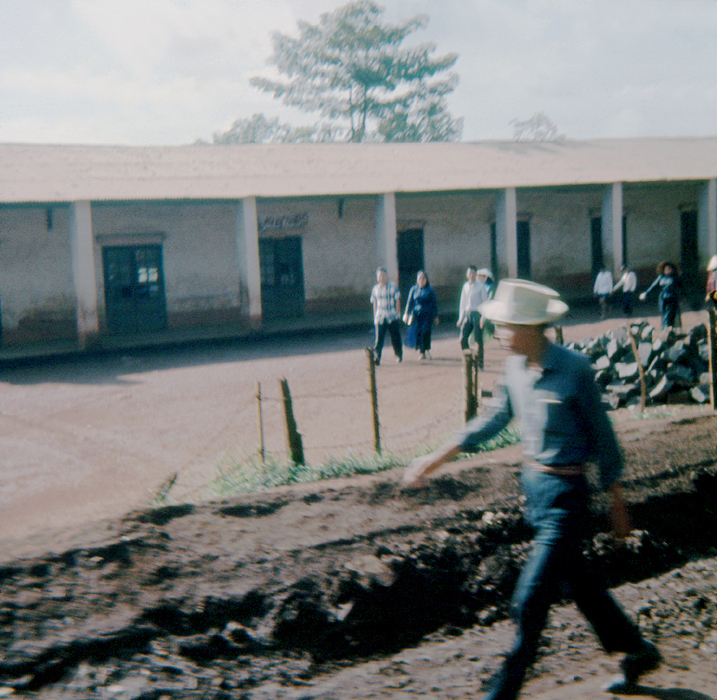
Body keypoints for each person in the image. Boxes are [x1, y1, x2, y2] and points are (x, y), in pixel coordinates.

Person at [403, 278, 661, 699]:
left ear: (530, 327)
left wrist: (617, 502)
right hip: (535, 495)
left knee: (530, 599)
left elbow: (604, 439)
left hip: (567, 498)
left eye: (505, 326)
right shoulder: (514, 369)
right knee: (582, 585)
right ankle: (637, 650)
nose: (499, 334)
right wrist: (435, 458)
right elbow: (490, 421)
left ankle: (503, 692)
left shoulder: (575, 370)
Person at [458, 266, 492, 368]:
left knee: (478, 340)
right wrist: (461, 318)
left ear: (476, 274)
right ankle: (468, 360)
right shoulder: (465, 286)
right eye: (469, 273)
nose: (471, 275)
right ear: (467, 274)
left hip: (477, 314)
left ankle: (480, 363)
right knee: (463, 338)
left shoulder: (481, 286)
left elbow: (485, 303)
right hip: (468, 314)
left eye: (473, 273)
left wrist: (483, 318)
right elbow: (462, 303)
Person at [370, 267, 403, 365]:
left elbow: (397, 300)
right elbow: (374, 303)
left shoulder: (393, 286)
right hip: (380, 316)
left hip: (392, 315)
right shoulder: (375, 289)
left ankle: (398, 355)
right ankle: (377, 358)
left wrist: (397, 313)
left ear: (387, 276)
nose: (382, 277)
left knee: (395, 337)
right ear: (377, 277)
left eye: (383, 275)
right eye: (380, 276)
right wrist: (375, 316)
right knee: (379, 339)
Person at [403, 270, 439, 360]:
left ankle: (427, 350)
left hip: (427, 315)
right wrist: (406, 313)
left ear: (426, 279)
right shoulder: (413, 289)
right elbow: (409, 302)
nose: (422, 280)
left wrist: (436, 316)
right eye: (419, 278)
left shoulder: (430, 290)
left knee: (426, 332)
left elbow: (434, 303)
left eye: (423, 278)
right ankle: (421, 352)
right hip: (417, 315)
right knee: (418, 333)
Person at [638, 261, 682, 330]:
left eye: (669, 269)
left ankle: (668, 328)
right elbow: (653, 285)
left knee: (669, 315)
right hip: (662, 298)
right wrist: (646, 292)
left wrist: (681, 298)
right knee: (663, 314)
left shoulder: (675, 277)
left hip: (672, 298)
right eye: (666, 269)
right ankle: (664, 329)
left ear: (672, 270)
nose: (667, 270)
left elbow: (681, 288)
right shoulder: (661, 277)